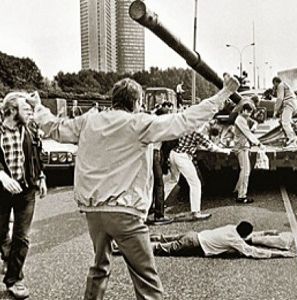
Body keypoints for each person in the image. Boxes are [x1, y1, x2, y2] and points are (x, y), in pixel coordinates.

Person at [29, 74, 239, 300]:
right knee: (146, 280)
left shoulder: (88, 121)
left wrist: (39, 107)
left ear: (114, 99)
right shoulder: (139, 123)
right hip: (125, 212)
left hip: (93, 211)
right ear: (136, 102)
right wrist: (224, 93)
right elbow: (184, 120)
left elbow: (56, 128)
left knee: (100, 267)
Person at [0, 92, 47, 299]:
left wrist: (41, 177)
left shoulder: (29, 130)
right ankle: (9, 258)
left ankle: (14, 279)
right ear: (11, 110)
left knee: (22, 236)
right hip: (2, 190)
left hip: (25, 189)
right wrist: (0, 174)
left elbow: (36, 155)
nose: (29, 111)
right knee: (0, 234)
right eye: (24, 108)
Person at [168, 128, 230, 221]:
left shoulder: (185, 127)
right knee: (195, 184)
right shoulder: (196, 132)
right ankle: (196, 212)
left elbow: (193, 144)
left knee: (172, 181)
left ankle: (156, 207)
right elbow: (210, 146)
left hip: (173, 153)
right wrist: (224, 151)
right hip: (183, 157)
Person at [151, 221, 296, 259]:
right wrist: (281, 254)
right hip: (194, 243)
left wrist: (267, 232)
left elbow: (251, 237)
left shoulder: (231, 228)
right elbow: (254, 252)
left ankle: (147, 235)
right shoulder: (235, 240)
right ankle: (139, 246)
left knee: (164, 238)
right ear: (243, 236)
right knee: (162, 249)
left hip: (193, 234)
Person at [233, 103, 263, 204]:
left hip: (242, 147)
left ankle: (237, 190)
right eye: (249, 111)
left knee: (244, 170)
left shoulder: (242, 119)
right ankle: (241, 196)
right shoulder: (240, 119)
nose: (250, 113)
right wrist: (258, 143)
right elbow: (247, 133)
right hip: (242, 147)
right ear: (244, 110)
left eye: (251, 112)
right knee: (245, 172)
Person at [149, 107, 174, 225]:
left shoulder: (152, 123)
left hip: (148, 154)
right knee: (159, 185)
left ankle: (149, 209)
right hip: (155, 153)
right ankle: (159, 215)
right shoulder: (162, 126)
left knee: (151, 184)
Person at [272, 77, 297, 148]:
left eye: (274, 84)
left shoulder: (280, 85)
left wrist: (275, 111)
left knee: (285, 122)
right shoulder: (285, 85)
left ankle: (293, 140)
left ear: (275, 82)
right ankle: (291, 136)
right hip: (293, 104)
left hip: (288, 104)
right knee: (285, 120)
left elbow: (279, 99)